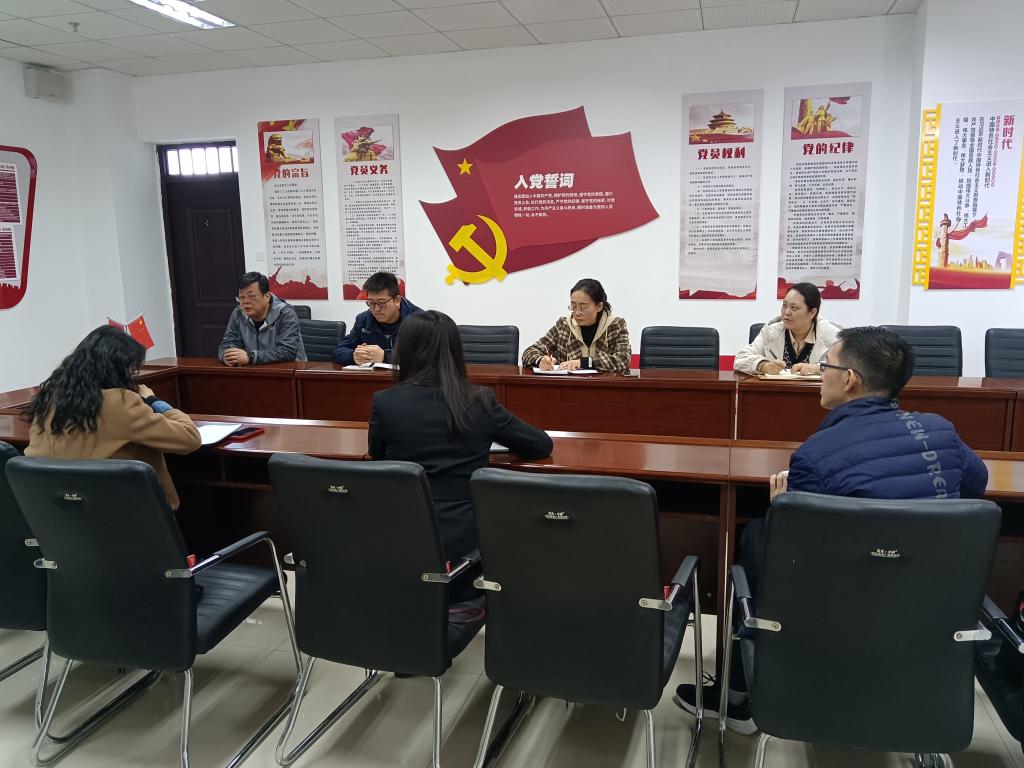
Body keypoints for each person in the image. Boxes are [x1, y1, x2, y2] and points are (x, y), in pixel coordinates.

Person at [677, 326, 989, 732]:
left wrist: (784, 509)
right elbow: (975, 489)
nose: (820, 374)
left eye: (826, 367)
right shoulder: (941, 430)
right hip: (929, 614)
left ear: (849, 379)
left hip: (841, 615)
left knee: (756, 538)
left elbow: (797, 553)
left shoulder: (816, 455)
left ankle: (737, 694)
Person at [368, 311, 552, 572]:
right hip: (466, 541)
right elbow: (540, 445)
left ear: (404, 351)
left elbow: (377, 456)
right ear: (455, 351)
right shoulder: (479, 400)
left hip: (403, 531)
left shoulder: (385, 402)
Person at [24, 326, 201, 511]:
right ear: (116, 370)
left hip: (57, 516)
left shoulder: (47, 401)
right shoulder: (120, 403)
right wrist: (152, 400)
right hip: (124, 516)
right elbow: (190, 438)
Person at [521, 278, 631, 374]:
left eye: (583, 307)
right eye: (573, 307)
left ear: (599, 306)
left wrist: (583, 363)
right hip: (569, 388)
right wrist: (540, 360)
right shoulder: (563, 325)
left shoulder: (616, 325)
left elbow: (623, 359)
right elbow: (529, 352)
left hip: (604, 387)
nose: (577, 313)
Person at [734, 282, 841, 375]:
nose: (786, 312)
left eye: (794, 307)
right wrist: (763, 365)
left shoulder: (833, 335)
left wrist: (818, 368)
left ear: (812, 313)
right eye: (784, 305)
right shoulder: (771, 330)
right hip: (775, 390)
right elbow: (740, 359)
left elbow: (848, 368)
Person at [334, 271, 422, 365]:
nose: (376, 309)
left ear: (397, 300)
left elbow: (426, 358)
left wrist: (385, 357)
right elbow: (339, 351)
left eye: (381, 303)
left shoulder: (420, 321)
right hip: (373, 374)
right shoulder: (363, 320)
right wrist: (354, 356)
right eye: (371, 303)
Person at [218, 271, 306, 365]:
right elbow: (227, 344)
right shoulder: (238, 313)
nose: (246, 302)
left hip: (290, 370)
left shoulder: (285, 313)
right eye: (241, 297)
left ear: (266, 297)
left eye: (252, 296)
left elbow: (287, 351)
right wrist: (227, 356)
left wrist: (250, 357)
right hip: (255, 369)